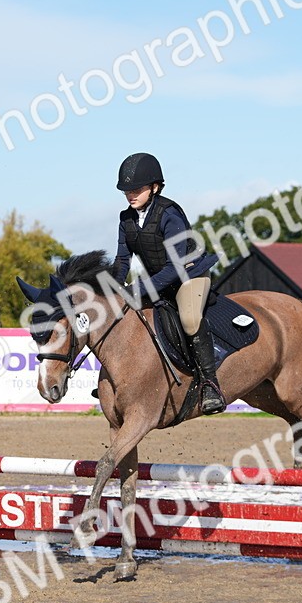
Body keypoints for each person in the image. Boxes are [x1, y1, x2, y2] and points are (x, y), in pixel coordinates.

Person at [111, 152, 224, 414]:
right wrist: (113, 291)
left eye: (136, 189)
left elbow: (174, 269)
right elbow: (122, 260)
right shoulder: (125, 219)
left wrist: (136, 289)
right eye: (126, 190)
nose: (130, 195)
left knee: (189, 319)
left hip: (189, 275)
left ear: (155, 187)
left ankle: (210, 384)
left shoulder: (169, 213)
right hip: (158, 279)